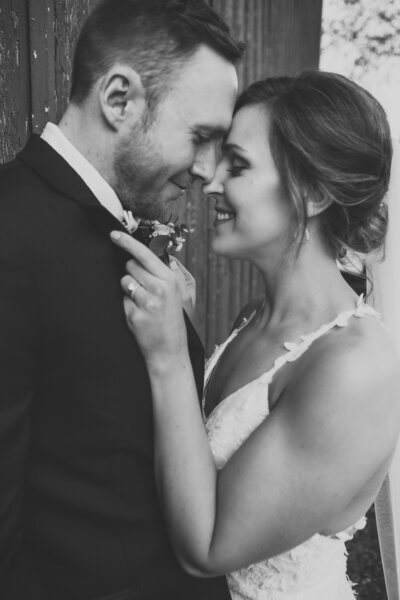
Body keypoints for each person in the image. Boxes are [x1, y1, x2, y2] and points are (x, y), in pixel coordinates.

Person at [111, 71, 400, 599]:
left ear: (311, 193)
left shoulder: (354, 367)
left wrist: (171, 354)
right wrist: (186, 338)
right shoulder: (254, 318)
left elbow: (210, 548)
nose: (212, 181)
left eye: (238, 165)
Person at [0, 0, 243, 598]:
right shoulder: (10, 228)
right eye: (202, 137)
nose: (209, 171)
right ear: (118, 99)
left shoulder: (116, 224)